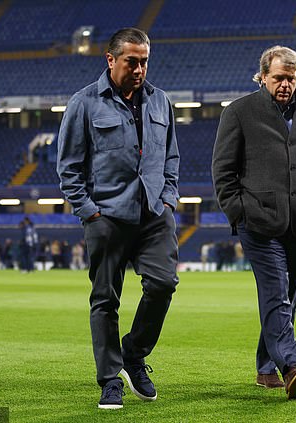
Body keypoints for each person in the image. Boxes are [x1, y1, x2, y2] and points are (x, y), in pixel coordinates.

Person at [56, 27, 180, 410]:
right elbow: (69, 169)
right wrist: (89, 212)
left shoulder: (161, 102)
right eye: (132, 61)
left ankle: (133, 353)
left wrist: (169, 198)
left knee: (163, 284)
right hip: (106, 216)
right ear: (111, 60)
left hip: (154, 214)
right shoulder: (85, 103)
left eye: (144, 61)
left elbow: (171, 157)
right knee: (105, 301)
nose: (139, 68)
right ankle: (110, 380)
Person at [212, 45, 296, 400]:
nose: (285, 84)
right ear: (263, 77)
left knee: (287, 298)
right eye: (278, 77)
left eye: (291, 77)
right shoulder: (239, 112)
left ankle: (265, 367)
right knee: (275, 293)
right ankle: (291, 368)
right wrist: (239, 213)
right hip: (259, 223)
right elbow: (223, 171)